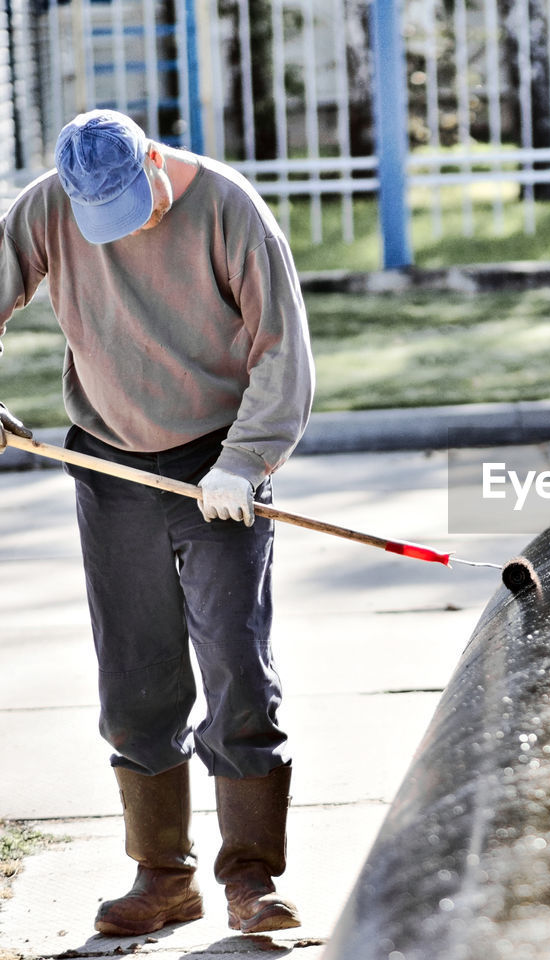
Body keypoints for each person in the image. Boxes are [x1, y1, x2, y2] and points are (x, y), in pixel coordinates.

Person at [0, 109, 315, 936]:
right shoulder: (45, 208)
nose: (117, 230)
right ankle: (162, 877)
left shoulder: (228, 206)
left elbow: (282, 348)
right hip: (110, 463)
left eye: (131, 205)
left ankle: (250, 876)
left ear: (153, 159)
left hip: (218, 465)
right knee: (136, 675)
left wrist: (245, 461)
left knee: (236, 664)